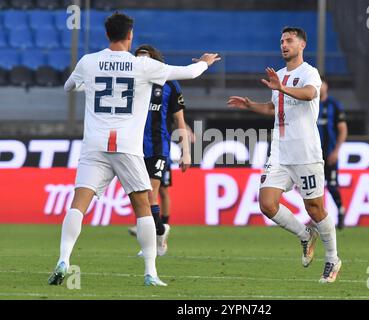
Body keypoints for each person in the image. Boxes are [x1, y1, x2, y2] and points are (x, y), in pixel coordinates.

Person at [47, 12, 220, 287]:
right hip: (128, 147)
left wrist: (88, 84)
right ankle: (151, 272)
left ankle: (64, 259)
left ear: (107, 35)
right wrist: (205, 63)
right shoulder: (143, 66)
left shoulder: (88, 62)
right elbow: (188, 73)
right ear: (130, 35)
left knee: (79, 203)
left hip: (95, 145)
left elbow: (69, 86)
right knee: (143, 206)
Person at [227, 27, 341, 283]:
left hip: (306, 152)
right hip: (280, 152)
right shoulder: (278, 76)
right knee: (267, 203)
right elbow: (274, 108)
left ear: (302, 45)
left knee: (315, 208)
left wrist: (282, 88)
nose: (284, 44)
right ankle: (305, 235)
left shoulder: (309, 73)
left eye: (289, 40)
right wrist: (250, 105)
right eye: (281, 41)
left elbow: (310, 94)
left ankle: (333, 258)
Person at [128, 44, 192, 257]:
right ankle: (159, 233)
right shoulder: (130, 82)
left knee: (150, 194)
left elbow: (179, 120)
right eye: (138, 58)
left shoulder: (170, 84)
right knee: (141, 198)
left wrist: (186, 151)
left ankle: (154, 241)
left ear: (154, 60)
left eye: (145, 58)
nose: (141, 62)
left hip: (158, 147)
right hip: (134, 147)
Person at [318, 79, 348, 230]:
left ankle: (341, 212)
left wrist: (336, 151)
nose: (319, 86)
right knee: (313, 188)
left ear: (326, 85)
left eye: (321, 83)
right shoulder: (310, 104)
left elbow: (342, 129)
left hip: (329, 154)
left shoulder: (334, 105)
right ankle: (317, 219)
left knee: (332, 186)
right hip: (313, 156)